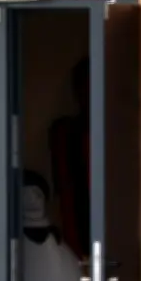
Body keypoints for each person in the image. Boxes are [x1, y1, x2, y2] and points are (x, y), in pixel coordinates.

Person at [49, 57, 90, 261]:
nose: (86, 94)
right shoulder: (65, 133)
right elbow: (65, 194)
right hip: (78, 229)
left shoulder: (117, 132)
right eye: (81, 87)